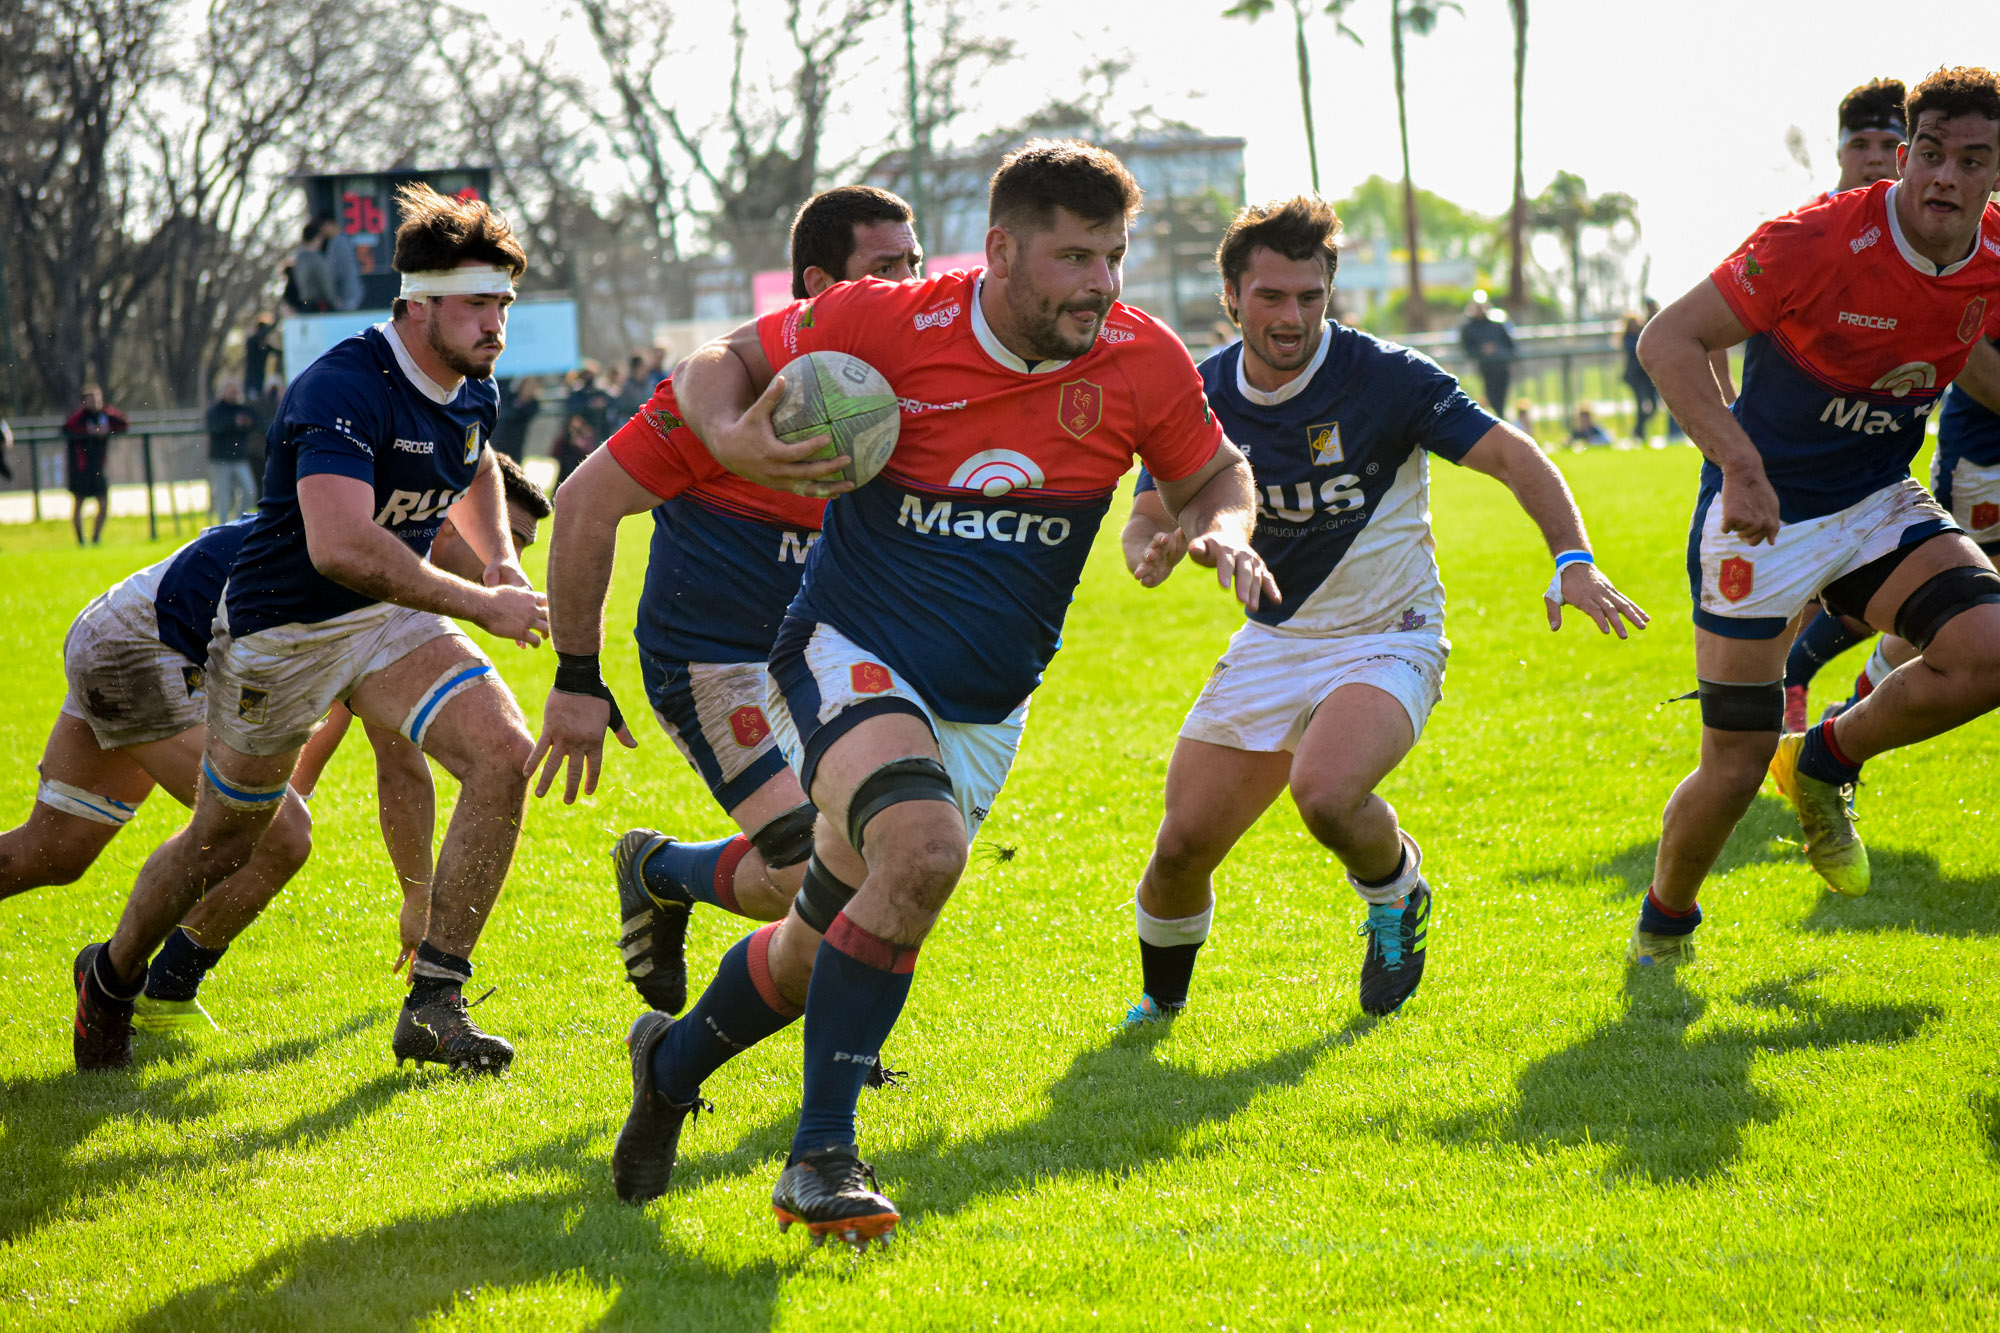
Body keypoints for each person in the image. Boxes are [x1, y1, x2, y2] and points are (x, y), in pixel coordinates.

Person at [604, 140, 1272, 1248]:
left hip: (985, 701)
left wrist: (1220, 533)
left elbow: (1215, 475)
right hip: (842, 648)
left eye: (1113, 255)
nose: (1100, 282)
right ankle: (821, 1156)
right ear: (999, 250)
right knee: (920, 851)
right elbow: (718, 361)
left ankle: (667, 1065)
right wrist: (731, 438)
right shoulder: (883, 319)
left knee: (819, 943)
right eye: (1072, 256)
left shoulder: (1140, 360)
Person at [1115, 198, 1646, 1026]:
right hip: (1276, 637)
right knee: (1181, 847)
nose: (1293, 317)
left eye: (1311, 296)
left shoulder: (1385, 377)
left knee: (1324, 792)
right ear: (1230, 295)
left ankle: (1397, 891)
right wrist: (1151, 550)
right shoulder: (1200, 391)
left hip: (1389, 633)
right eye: (1271, 297)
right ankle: (1159, 1007)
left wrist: (1573, 559)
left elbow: (1514, 454)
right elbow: (1149, 514)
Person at [68, 183, 551, 1074]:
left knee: (503, 757)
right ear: (418, 303)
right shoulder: (339, 386)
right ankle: (113, 972)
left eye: (504, 304)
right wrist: (483, 603)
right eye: (479, 303)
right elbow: (339, 546)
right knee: (227, 838)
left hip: (388, 615)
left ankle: (435, 997)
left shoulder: (471, 381)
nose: (496, 324)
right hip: (283, 632)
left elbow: (475, 461)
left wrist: (502, 561)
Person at [527, 184, 923, 1036]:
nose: (907, 283)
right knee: (822, 866)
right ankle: (676, 888)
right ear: (819, 283)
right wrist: (576, 677)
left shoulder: (908, 382)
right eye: (883, 267)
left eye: (913, 263)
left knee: (882, 848)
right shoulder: (733, 393)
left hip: (823, 656)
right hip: (711, 657)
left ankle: (662, 873)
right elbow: (586, 503)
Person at [1629, 67, 2000, 967]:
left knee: (1989, 648)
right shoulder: (1816, 239)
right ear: (1904, 156)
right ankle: (1665, 922)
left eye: (1974, 159)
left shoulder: (1992, 256)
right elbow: (1667, 341)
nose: (1946, 176)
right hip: (1767, 516)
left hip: (1877, 501)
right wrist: (1739, 465)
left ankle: (1827, 757)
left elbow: (1979, 369)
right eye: (1931, 154)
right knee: (1734, 761)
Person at [2, 457, 550, 1030]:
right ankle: (150, 988)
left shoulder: (395, 572)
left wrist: (415, 896)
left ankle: (156, 985)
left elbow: (392, 756)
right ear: (449, 522)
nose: (508, 567)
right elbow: (394, 768)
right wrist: (416, 896)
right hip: (141, 648)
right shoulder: (376, 566)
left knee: (52, 853)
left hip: (135, 631)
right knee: (280, 834)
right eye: (504, 540)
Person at [1779, 78, 1913, 731]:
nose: (1875, 156)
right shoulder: (1804, 233)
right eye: (1860, 143)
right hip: (1789, 472)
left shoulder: (1930, 236)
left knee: (1949, 615)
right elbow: (1692, 331)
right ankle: (1783, 715)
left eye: (1891, 142)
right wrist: (1728, 447)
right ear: (1839, 152)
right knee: (1790, 612)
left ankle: (1824, 720)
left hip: (1877, 476)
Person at [64, 384, 127, 545]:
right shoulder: (79, 418)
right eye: (91, 399)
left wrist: (106, 429)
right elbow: (67, 428)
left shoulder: (105, 414)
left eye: (97, 398)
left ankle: (96, 537)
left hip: (99, 468)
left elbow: (123, 423)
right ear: (84, 401)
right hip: (81, 469)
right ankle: (80, 539)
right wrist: (88, 432)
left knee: (103, 503)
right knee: (79, 503)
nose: (95, 402)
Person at [205, 380, 260, 522]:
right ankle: (222, 527)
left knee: (249, 491)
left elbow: (257, 420)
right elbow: (215, 427)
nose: (233, 395)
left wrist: (247, 422)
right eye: (230, 391)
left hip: (240, 458)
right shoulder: (216, 410)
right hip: (220, 460)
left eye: (236, 392)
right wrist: (234, 423)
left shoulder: (242, 409)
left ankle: (237, 521)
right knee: (223, 497)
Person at [1457, 291, 1516, 412]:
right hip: (1484, 369)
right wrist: (1481, 351)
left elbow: (1510, 345)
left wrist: (1496, 350)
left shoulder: (1497, 323)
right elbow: (1466, 348)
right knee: (1490, 398)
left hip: (1501, 367)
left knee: (1501, 399)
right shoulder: (1469, 327)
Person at [1622, 311, 1660, 444]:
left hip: (1646, 377)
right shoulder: (1628, 338)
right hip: (1636, 378)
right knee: (1640, 406)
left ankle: (1638, 429)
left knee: (1654, 406)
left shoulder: (1642, 335)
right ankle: (1639, 433)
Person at [492, 376, 542, 463]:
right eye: (528, 383)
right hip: (497, 440)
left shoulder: (532, 406)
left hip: (514, 445)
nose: (529, 388)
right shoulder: (508, 398)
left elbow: (522, 413)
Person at [553, 413, 598, 488]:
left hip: (580, 468)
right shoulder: (564, 438)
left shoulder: (587, 434)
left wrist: (579, 444)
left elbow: (589, 452)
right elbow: (555, 452)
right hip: (565, 469)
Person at [244, 314, 281, 398]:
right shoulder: (252, 341)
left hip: (260, 378)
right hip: (251, 379)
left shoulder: (265, 346)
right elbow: (260, 335)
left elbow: (278, 352)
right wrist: (275, 322)